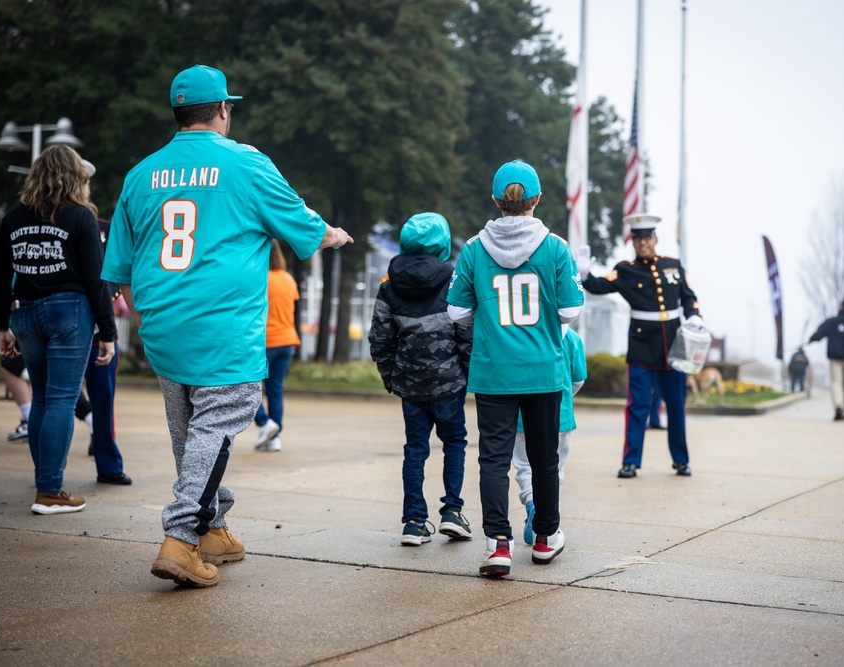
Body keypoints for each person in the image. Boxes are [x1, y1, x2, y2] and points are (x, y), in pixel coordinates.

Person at [102, 64, 353, 589]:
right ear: (221, 110)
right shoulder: (246, 164)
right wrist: (332, 235)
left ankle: (212, 525)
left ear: (177, 113)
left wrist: (147, 323)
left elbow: (120, 269)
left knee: (191, 432)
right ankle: (180, 538)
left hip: (164, 327)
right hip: (224, 328)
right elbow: (301, 224)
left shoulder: (140, 173)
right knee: (214, 429)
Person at [447, 160, 583, 577]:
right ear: (537, 199)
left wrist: (489, 323)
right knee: (544, 460)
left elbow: (456, 312)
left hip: (494, 372)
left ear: (495, 200)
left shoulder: (473, 248)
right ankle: (545, 538)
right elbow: (570, 308)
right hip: (543, 371)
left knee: (494, 459)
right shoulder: (556, 248)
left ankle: (498, 545)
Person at [0, 145, 116, 515]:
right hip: (69, 311)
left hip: (25, 313)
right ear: (75, 176)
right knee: (61, 399)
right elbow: (96, 279)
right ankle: (50, 490)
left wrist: (0, 325)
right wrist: (106, 331)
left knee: (43, 398)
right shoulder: (80, 217)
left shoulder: (14, 217)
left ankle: (45, 482)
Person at [368, 212, 474, 546]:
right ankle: (452, 512)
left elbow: (380, 339)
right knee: (454, 442)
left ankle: (414, 521)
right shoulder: (455, 281)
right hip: (449, 384)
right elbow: (465, 335)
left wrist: (391, 377)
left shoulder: (389, 285)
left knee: (415, 447)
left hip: (410, 386)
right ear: (443, 244)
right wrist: (468, 375)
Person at [578, 214, 703, 479]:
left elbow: (689, 297)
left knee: (676, 405)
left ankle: (681, 460)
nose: (643, 243)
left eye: (647, 238)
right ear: (633, 242)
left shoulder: (673, 265)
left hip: (673, 346)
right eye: (638, 239)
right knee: (637, 406)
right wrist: (586, 275)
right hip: (642, 346)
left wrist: (693, 316)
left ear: (655, 239)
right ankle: (630, 462)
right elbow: (600, 286)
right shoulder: (625, 270)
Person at [513, 325, 587, 545]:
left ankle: (531, 503)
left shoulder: (519, 333)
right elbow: (578, 378)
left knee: (525, 466)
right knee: (553, 469)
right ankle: (547, 518)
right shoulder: (571, 337)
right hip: (561, 416)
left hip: (520, 416)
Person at [84, 218, 131, 484]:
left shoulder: (107, 226)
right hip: (90, 325)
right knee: (102, 400)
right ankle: (108, 465)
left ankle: (47, 477)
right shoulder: (102, 226)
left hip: (76, 323)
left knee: (50, 402)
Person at [252, 240, 301, 453]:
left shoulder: (259, 278)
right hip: (287, 341)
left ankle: (264, 423)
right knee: (275, 391)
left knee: (246, 389)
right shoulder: (289, 279)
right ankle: (275, 438)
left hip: (265, 341)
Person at [808, 299, 844, 421]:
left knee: (836, 382)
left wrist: (812, 339)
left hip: (835, 358)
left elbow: (819, 334)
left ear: (840, 307)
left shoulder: (832, 322)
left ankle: (838, 406)